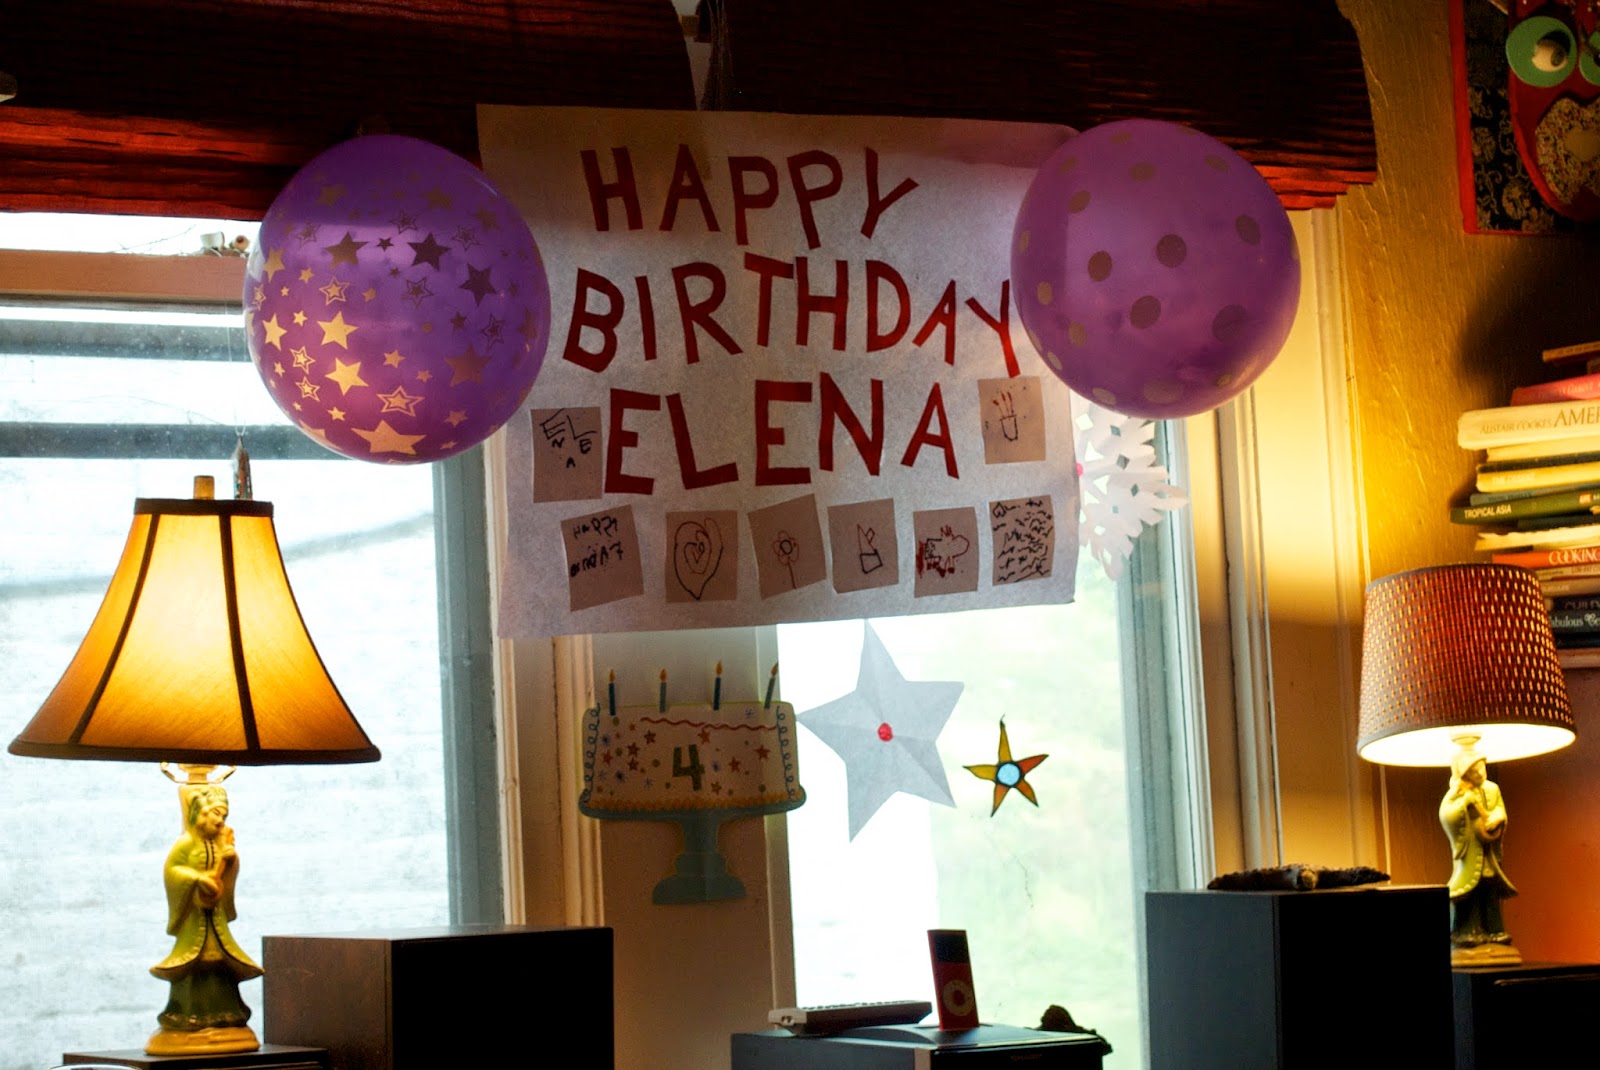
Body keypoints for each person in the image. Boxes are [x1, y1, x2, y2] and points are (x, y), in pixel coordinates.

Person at [146, 783, 264, 1054]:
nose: (221, 820)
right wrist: (197, 879)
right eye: (216, 813)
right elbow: (173, 870)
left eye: (224, 815)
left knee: (220, 960)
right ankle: (186, 1014)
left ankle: (227, 1014)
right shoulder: (186, 843)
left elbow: (225, 875)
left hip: (215, 919)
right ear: (200, 812)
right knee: (194, 963)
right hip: (195, 921)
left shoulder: (220, 842)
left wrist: (231, 862)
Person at [1438, 744, 1515, 952]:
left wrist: (1496, 819)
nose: (1480, 773)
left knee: (1490, 891)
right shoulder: (1457, 791)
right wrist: (1463, 803)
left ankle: (1495, 930)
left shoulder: (1492, 789)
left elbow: (1500, 810)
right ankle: (1467, 932)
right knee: (1468, 894)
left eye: (1482, 767)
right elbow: (1446, 815)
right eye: (1474, 770)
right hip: (1470, 854)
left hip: (1488, 855)